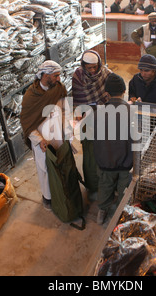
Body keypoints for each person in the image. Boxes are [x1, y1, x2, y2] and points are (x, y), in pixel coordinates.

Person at [20, 60, 68, 210]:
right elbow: (27, 123)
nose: (59, 79)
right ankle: (48, 198)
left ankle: (62, 193)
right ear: (45, 75)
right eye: (56, 75)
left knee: (61, 164)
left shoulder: (59, 89)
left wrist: (68, 129)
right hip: (43, 140)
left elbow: (65, 108)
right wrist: (39, 140)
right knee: (45, 169)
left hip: (58, 136)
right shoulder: (31, 96)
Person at [92, 73, 134, 224]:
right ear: (124, 91)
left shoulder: (98, 114)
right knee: (124, 190)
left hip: (106, 163)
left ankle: (102, 211)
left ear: (107, 94)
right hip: (126, 164)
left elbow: (95, 140)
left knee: (105, 187)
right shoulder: (133, 113)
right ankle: (121, 214)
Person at [72, 50, 112, 198]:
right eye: (89, 68)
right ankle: (92, 186)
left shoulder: (106, 73)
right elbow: (77, 99)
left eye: (95, 67)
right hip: (86, 117)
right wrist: (78, 117)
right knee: (89, 153)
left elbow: (113, 91)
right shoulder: (78, 76)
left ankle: (106, 182)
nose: (93, 70)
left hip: (103, 114)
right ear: (83, 66)